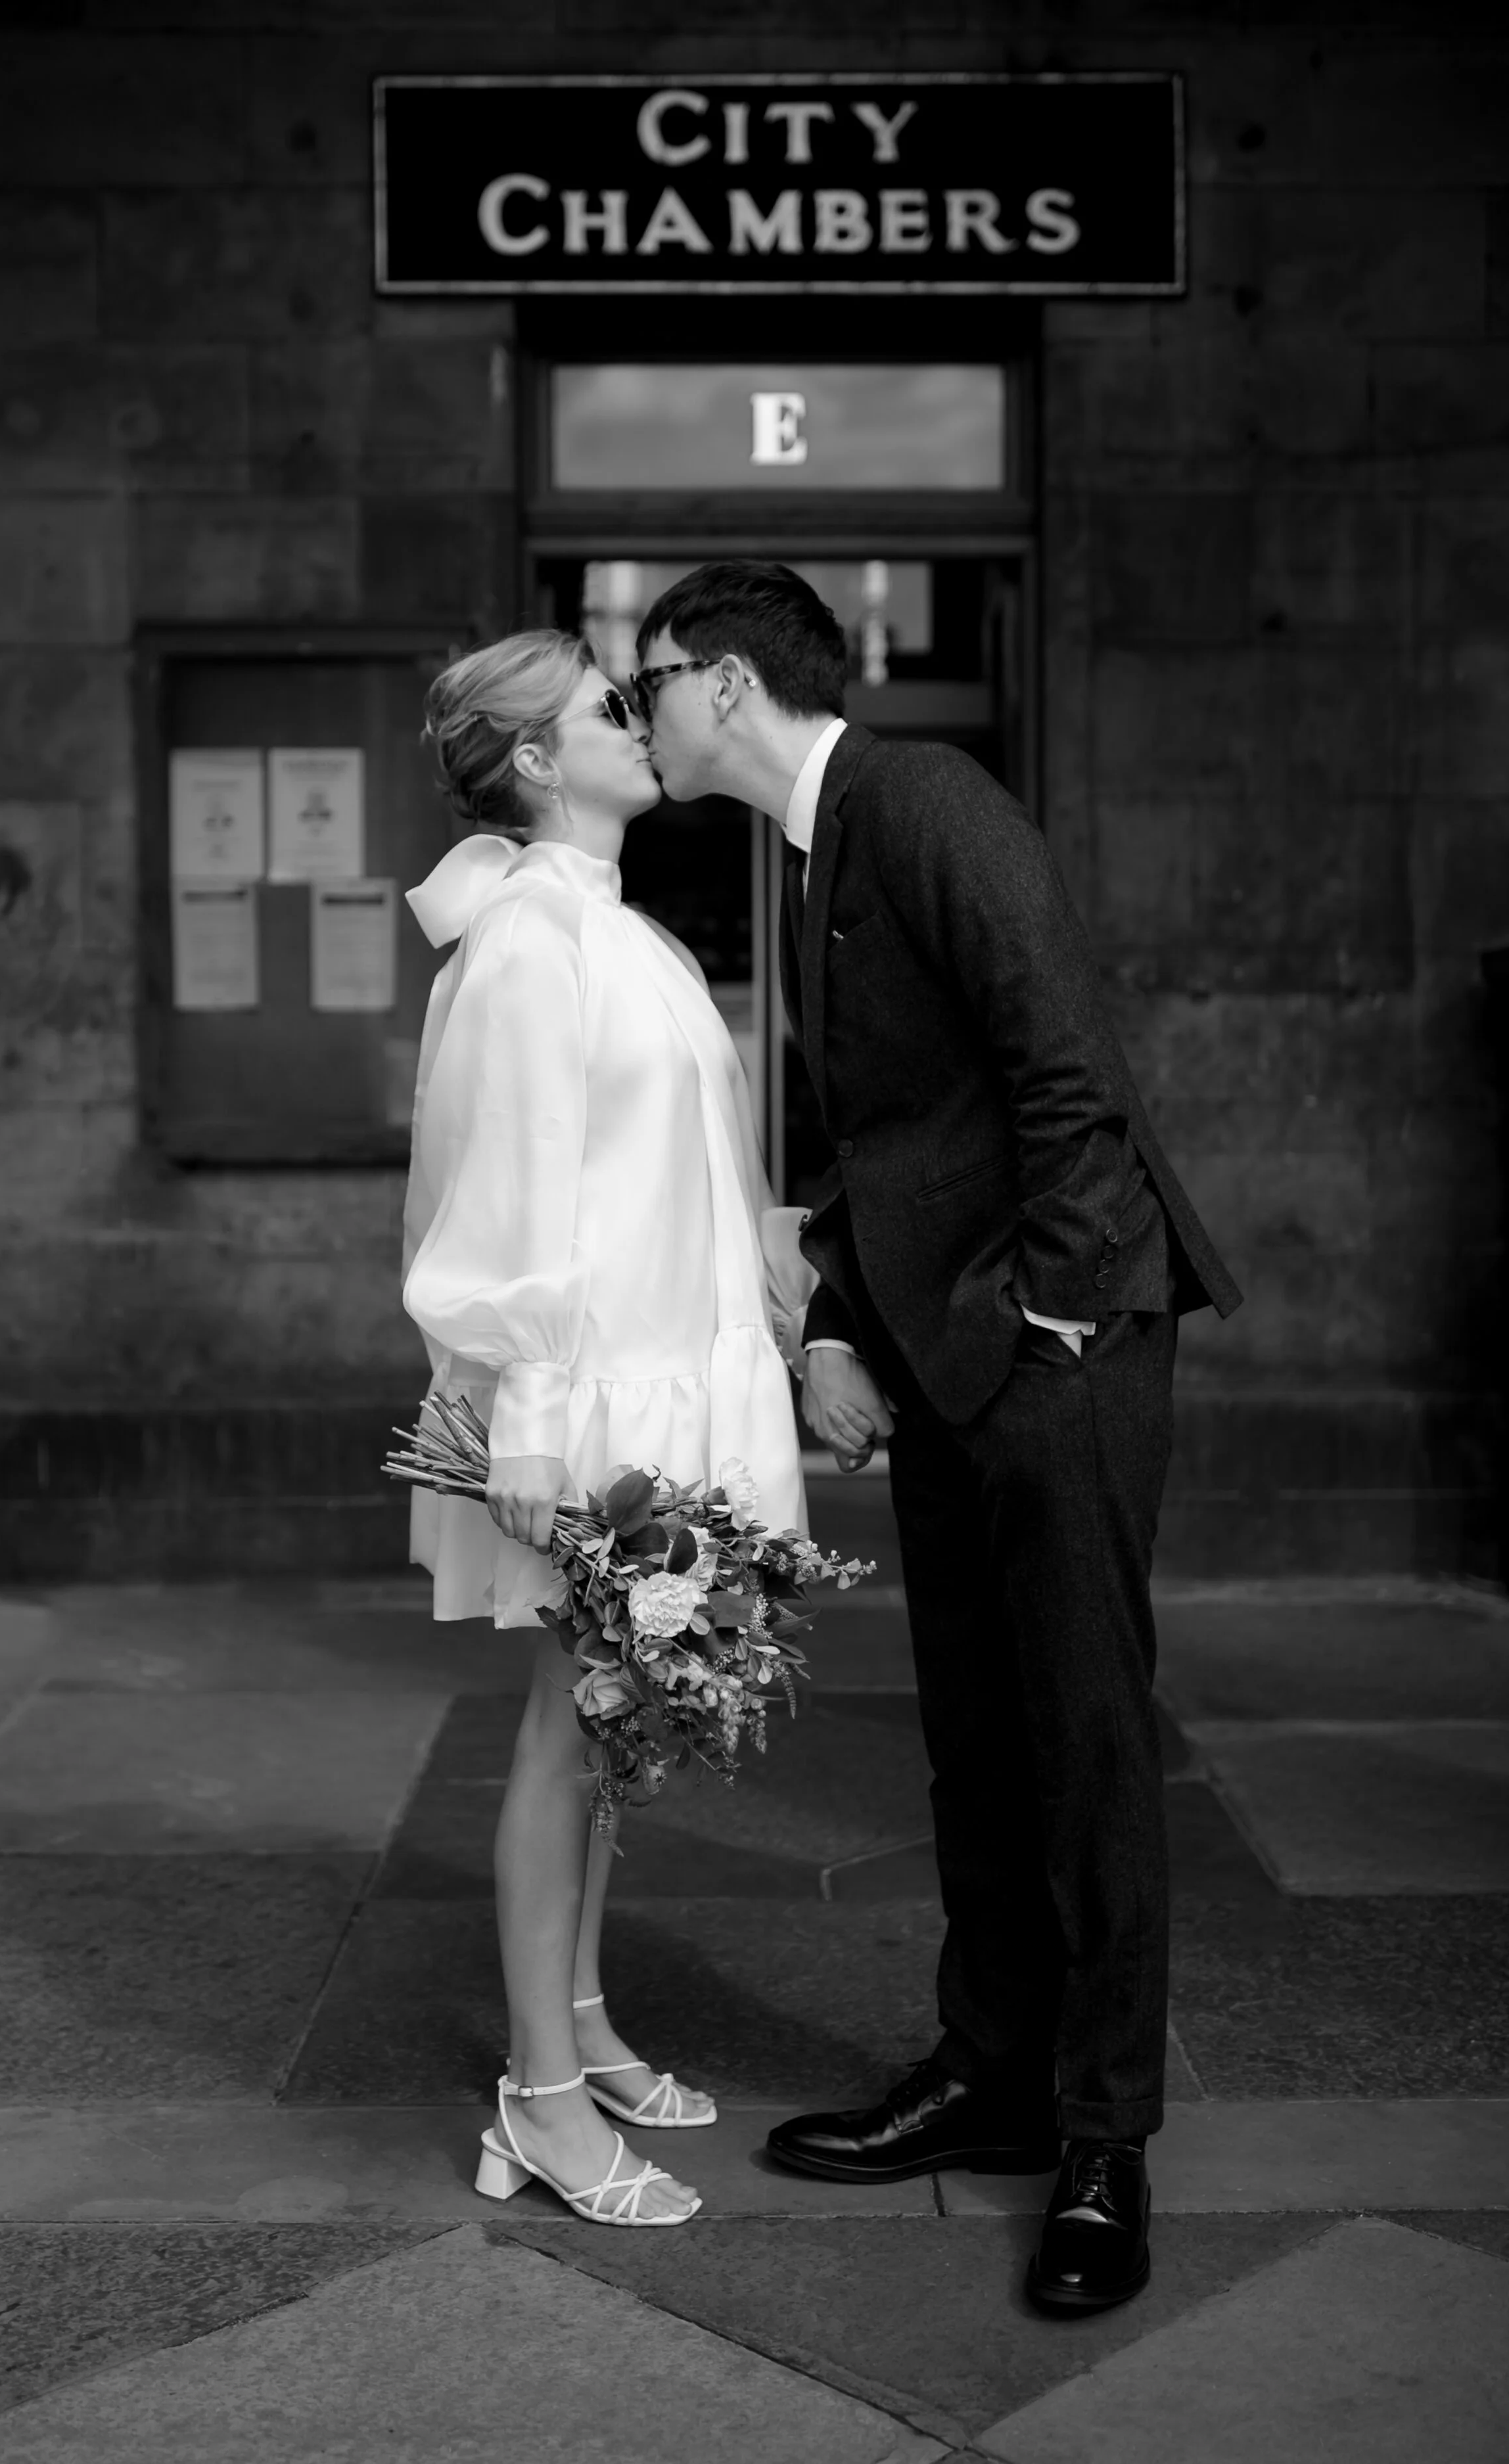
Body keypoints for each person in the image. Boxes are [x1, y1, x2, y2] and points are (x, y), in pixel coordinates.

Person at [634, 560, 1242, 2314]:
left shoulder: (923, 801)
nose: (635, 713)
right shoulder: (812, 845)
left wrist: (1052, 1308)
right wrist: (835, 1319)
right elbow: (892, 1139)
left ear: (724, 684)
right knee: (977, 1733)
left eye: (646, 682)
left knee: (1083, 1736)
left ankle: (1102, 2138)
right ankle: (990, 2072)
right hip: (950, 1350)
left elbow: (1064, 1067)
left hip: (1054, 1344)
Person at [400, 627, 814, 2229]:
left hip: (658, 1377)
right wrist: (526, 1417)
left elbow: (690, 1171)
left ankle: (576, 2021)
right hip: (580, 1396)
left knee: (614, 1728)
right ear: (530, 759)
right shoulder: (524, 941)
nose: (638, 724)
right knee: (567, 1730)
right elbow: (507, 1190)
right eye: (604, 710)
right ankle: (538, 2099)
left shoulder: (615, 930)